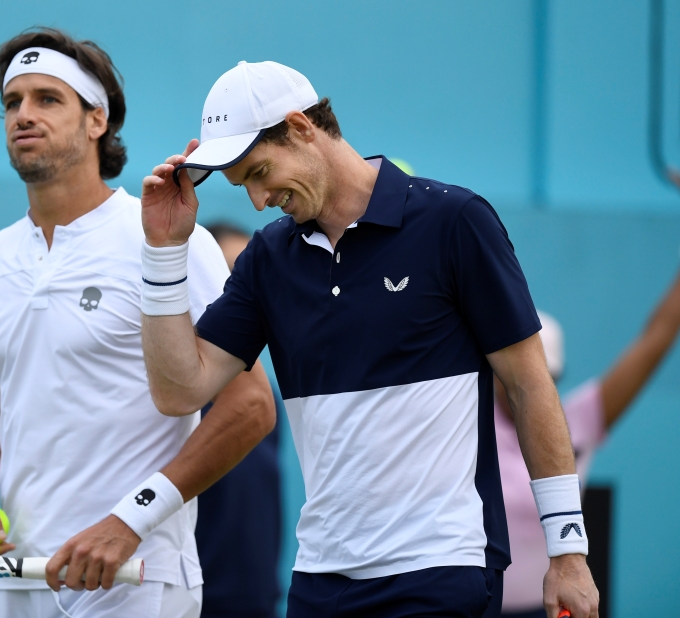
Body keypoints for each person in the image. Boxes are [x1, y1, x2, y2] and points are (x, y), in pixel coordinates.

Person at [138, 60, 600, 617]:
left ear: (302, 127)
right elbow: (178, 392)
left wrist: (568, 551)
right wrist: (164, 252)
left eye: (259, 172)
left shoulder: (454, 221)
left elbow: (529, 387)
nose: (258, 201)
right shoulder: (267, 261)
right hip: (319, 580)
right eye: (244, 186)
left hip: (442, 568)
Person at [0, 29, 276, 618]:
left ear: (97, 120)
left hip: (140, 578)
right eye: (13, 101)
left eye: (48, 98)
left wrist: (132, 519)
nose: (23, 114)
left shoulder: (168, 236)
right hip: (23, 578)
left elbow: (250, 406)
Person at [500, 270, 680, 617]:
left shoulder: (578, 421)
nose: (525, 386)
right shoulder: (465, 422)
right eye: (513, 373)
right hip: (468, 606)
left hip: (548, 609)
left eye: (544, 377)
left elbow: (655, 339)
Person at [196, 222, 283, 618]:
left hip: (256, 601)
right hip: (187, 598)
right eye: (231, 274)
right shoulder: (178, 397)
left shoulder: (264, 400)